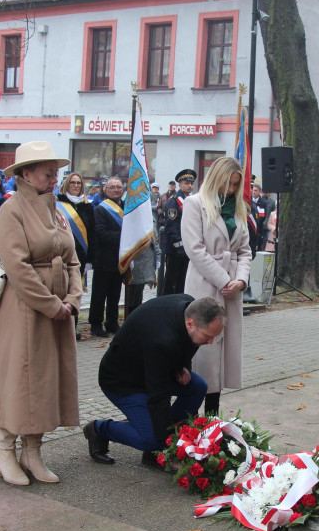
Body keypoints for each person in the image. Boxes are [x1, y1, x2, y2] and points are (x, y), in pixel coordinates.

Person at [0, 141, 81, 486]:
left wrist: (72, 299)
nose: (54, 177)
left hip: (58, 309)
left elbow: (73, 259)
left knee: (45, 381)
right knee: (20, 378)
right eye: (48, 171)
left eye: (55, 171)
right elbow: (17, 267)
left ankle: (33, 451)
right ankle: (4, 452)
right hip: (25, 310)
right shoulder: (11, 210)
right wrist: (50, 304)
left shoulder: (56, 209)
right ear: (25, 174)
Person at [84, 294, 224, 465]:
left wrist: (182, 367)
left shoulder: (190, 309)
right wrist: (164, 448)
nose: (211, 342)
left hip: (153, 369)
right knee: (150, 441)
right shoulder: (162, 340)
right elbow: (159, 396)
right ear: (190, 323)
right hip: (122, 381)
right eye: (208, 336)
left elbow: (186, 344)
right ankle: (99, 429)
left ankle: (164, 437)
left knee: (197, 387)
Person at [181, 155, 253, 415]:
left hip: (232, 288)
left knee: (222, 354)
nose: (231, 190)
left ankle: (212, 417)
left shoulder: (237, 208)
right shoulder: (195, 204)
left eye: (235, 184)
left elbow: (245, 251)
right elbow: (195, 249)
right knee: (203, 351)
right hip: (204, 283)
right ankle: (189, 418)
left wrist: (241, 281)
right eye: (227, 183)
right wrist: (225, 280)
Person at [57, 171, 96, 339]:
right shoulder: (58, 204)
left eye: (79, 183)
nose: (76, 186)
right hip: (61, 256)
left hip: (80, 258)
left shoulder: (88, 207)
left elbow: (93, 234)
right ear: (67, 184)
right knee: (60, 291)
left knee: (74, 293)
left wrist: (90, 259)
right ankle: (60, 327)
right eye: (72, 183)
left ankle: (72, 328)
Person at [88, 176, 125, 337]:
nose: (116, 189)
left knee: (115, 294)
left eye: (119, 187)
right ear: (106, 189)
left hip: (120, 259)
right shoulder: (100, 209)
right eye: (113, 187)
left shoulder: (126, 207)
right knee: (99, 294)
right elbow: (101, 234)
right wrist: (124, 236)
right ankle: (95, 324)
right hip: (103, 259)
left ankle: (112, 322)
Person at [159, 168, 197, 296]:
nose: (190, 185)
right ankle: (165, 306)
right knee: (171, 280)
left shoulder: (193, 200)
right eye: (186, 183)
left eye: (191, 183)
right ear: (179, 184)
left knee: (184, 280)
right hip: (176, 249)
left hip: (189, 246)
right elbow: (172, 225)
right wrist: (179, 244)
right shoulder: (173, 201)